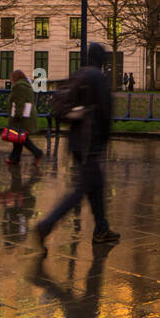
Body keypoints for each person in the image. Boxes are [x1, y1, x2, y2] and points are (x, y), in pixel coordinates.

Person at [34, 42, 119, 251]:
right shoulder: (98, 78)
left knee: (95, 185)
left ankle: (101, 229)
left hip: (75, 141)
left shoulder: (79, 74)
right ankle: (47, 224)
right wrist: (106, 138)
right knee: (82, 188)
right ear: (102, 60)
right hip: (90, 141)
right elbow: (106, 111)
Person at [6, 69, 44, 164]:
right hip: (27, 114)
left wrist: (17, 115)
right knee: (18, 138)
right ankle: (14, 158)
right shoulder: (26, 84)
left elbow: (19, 102)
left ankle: (37, 152)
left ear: (15, 77)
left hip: (22, 116)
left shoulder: (19, 86)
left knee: (21, 138)